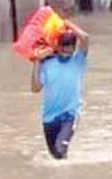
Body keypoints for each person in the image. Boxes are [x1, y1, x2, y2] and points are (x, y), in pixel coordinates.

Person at [31, 19, 89, 160]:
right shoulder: (48, 64)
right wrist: (37, 61)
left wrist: (66, 23)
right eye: (64, 45)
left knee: (60, 150)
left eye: (70, 45)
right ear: (58, 45)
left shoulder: (78, 61)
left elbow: (85, 37)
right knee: (56, 157)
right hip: (49, 118)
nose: (67, 49)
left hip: (69, 116)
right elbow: (35, 88)